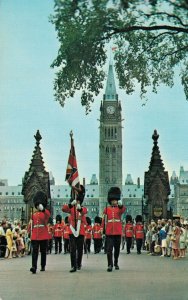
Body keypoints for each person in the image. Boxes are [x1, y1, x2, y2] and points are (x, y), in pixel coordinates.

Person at [62, 185, 87, 272]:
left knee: (80, 249)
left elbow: (84, 211)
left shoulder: (83, 208)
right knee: (73, 249)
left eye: (78, 200)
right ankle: (73, 265)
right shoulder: (71, 208)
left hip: (80, 232)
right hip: (72, 231)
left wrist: (80, 209)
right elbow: (63, 209)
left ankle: (78, 263)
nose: (77, 202)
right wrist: (70, 204)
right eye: (76, 200)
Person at [102, 187, 126, 272]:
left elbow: (123, 210)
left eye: (115, 200)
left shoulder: (119, 208)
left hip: (117, 231)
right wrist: (103, 230)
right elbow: (104, 220)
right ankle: (110, 265)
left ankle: (116, 262)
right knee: (109, 249)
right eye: (112, 200)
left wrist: (121, 205)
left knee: (117, 249)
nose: (114, 201)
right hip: (109, 232)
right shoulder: (106, 209)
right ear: (110, 200)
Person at [28, 191, 50, 274]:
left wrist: (43, 209)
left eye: (39, 205)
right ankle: (34, 266)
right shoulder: (34, 214)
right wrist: (29, 232)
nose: (38, 206)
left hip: (43, 235)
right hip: (35, 235)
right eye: (37, 205)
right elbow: (31, 224)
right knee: (35, 252)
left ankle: (43, 265)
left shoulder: (45, 213)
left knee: (43, 252)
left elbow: (48, 215)